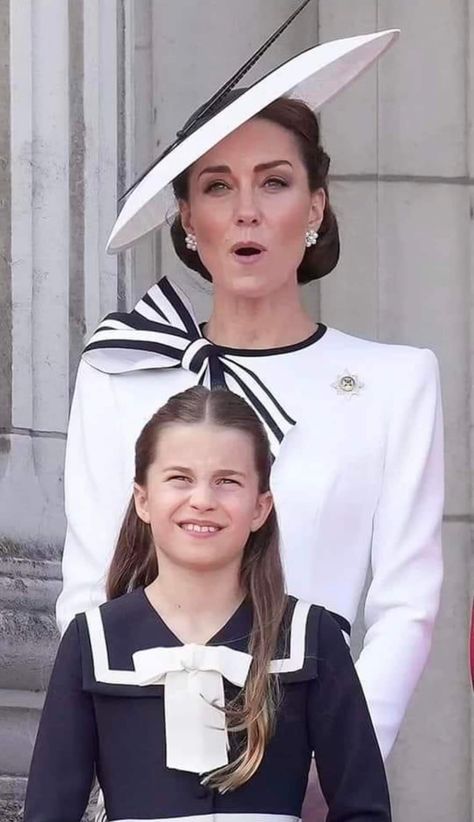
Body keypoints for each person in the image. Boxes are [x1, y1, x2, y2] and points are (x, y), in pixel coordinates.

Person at [56, 21, 444, 763]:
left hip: (316, 761)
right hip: (148, 764)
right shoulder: (120, 372)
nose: (246, 210)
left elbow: (406, 607)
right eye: (216, 186)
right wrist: (128, 755)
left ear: (316, 207)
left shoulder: (398, 384)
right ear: (188, 223)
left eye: (274, 181)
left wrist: (338, 763)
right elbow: (88, 590)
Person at [25, 386, 392, 822]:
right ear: (143, 499)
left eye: (228, 481)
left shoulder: (311, 635)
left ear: (260, 507)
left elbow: (363, 808)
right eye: (180, 478)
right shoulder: (93, 640)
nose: (203, 500)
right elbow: (49, 811)